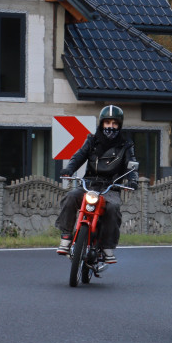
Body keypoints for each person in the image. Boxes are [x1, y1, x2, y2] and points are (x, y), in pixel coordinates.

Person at [55, 105, 138, 264]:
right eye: (107, 123)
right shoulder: (92, 140)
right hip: (89, 184)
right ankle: (66, 236)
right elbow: (79, 156)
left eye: (114, 123)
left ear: (119, 125)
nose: (111, 127)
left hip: (111, 187)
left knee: (113, 209)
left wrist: (132, 179)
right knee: (70, 197)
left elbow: (131, 163)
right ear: (102, 123)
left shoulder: (125, 144)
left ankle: (107, 247)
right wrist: (69, 169)